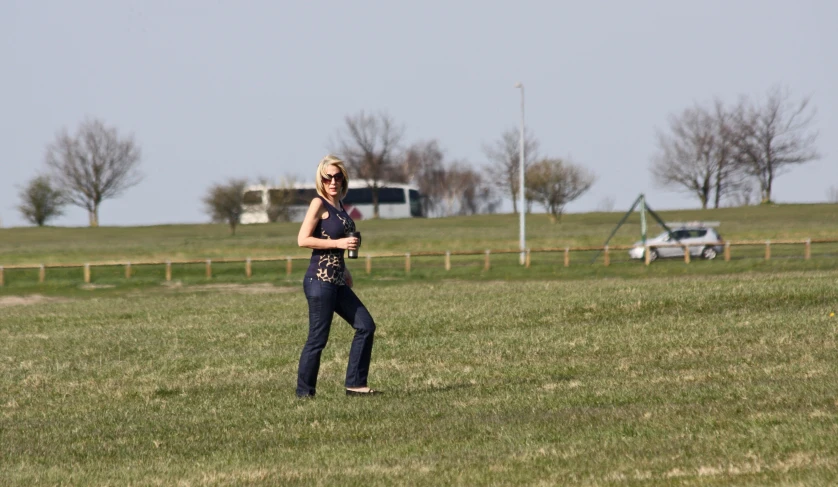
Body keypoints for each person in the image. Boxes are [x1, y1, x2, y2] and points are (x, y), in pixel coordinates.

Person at [296, 155, 379, 397]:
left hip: (337, 280)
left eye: (337, 176)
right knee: (317, 340)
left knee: (365, 325)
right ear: (321, 180)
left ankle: (355, 385)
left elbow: (335, 248)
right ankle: (304, 393)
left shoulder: (340, 206)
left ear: (343, 179)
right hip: (319, 281)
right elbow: (303, 240)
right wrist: (341, 242)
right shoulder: (318, 204)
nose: (333, 181)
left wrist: (345, 269)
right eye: (327, 177)